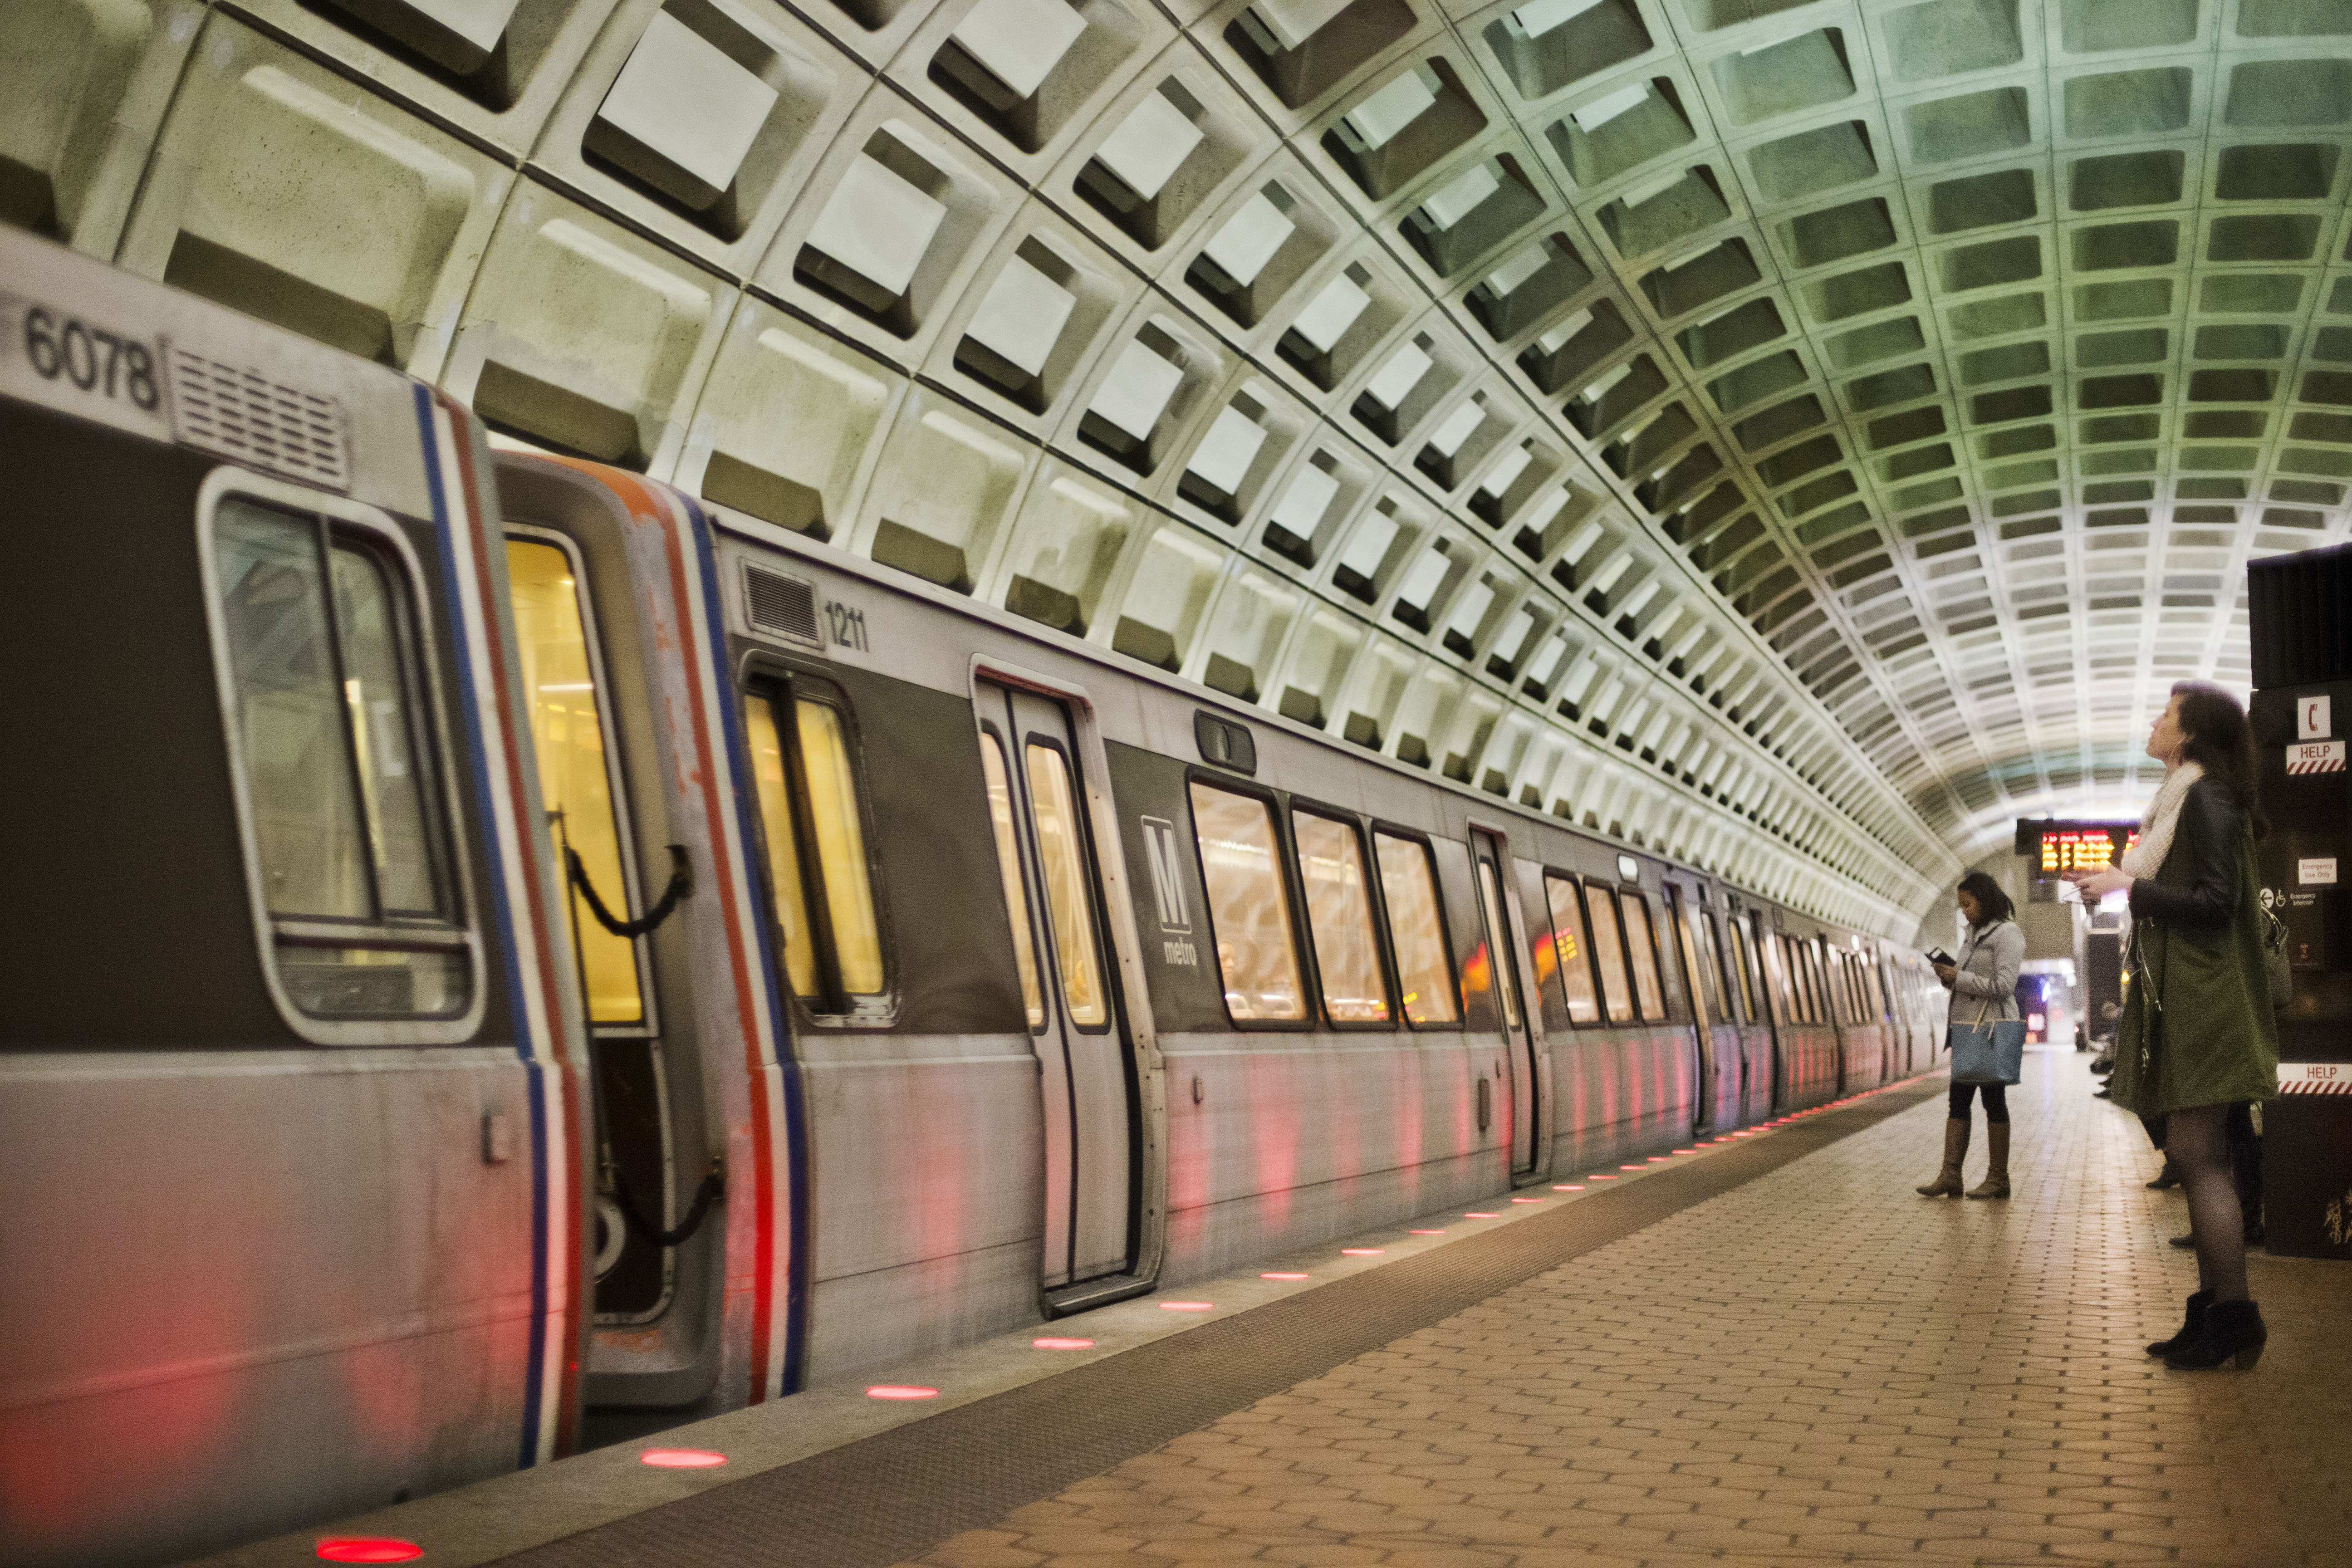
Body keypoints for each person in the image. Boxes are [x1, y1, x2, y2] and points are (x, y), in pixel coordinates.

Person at [2068, 682, 2279, 1372]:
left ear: (2188, 735)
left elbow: (2219, 901)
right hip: (2188, 995)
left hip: (2209, 1000)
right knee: (2197, 1156)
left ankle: (2234, 1315)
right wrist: (2123, 883)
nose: (2155, 722)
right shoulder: (2177, 801)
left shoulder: (2208, 798)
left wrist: (2129, 888)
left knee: (2198, 1154)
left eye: (2166, 714)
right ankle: (2215, 1309)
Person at [1917, 872, 2025, 1200]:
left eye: (1968, 904)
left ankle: (1998, 1179)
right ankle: (1951, 1175)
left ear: (1984, 899)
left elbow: (2004, 986)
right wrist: (1950, 978)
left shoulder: (2008, 934)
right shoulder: (1972, 935)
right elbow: (1969, 979)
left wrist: (1960, 978)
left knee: (1994, 1102)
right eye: (1961, 905)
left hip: (1992, 1029)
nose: (1964, 911)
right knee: (1958, 1101)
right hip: (1967, 1030)